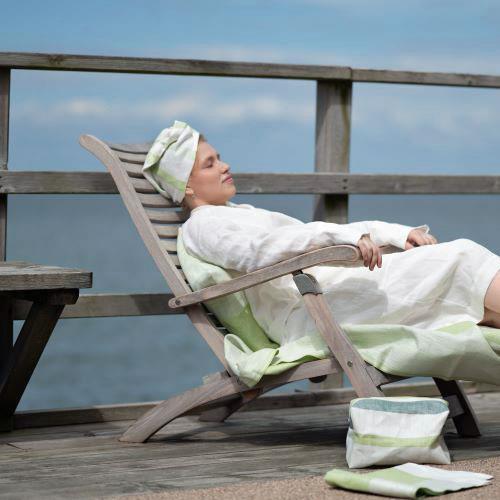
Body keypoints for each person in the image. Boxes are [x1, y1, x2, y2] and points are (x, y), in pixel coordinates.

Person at [144, 121, 500, 347]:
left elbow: (310, 233)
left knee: (458, 270)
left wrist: (395, 235)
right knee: (462, 258)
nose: (225, 166)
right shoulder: (203, 226)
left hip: (326, 294)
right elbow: (259, 252)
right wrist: (338, 241)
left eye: (219, 157)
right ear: (186, 186)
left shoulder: (237, 213)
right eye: (210, 164)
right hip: (310, 313)